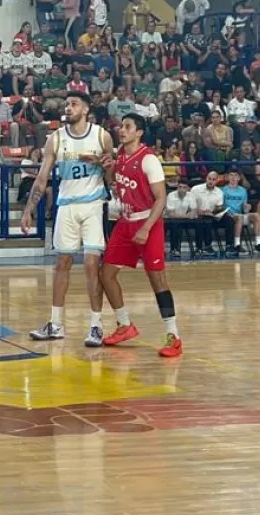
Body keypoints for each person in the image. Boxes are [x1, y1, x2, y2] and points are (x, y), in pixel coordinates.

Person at [21, 92, 112, 346]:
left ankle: (96, 325)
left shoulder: (101, 135)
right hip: (66, 206)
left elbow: (112, 175)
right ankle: (56, 323)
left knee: (93, 266)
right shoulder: (56, 138)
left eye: (73, 104)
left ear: (86, 109)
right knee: (62, 264)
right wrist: (29, 210)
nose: (68, 108)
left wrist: (105, 164)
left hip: (94, 204)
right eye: (66, 105)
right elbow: (42, 179)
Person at [98, 114, 183, 358]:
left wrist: (146, 228)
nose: (121, 130)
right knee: (106, 274)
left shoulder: (149, 160)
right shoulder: (121, 156)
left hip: (148, 222)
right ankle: (124, 324)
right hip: (126, 222)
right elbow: (113, 182)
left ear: (139, 132)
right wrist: (108, 169)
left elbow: (161, 198)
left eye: (127, 127)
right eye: (120, 126)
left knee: (157, 281)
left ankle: (174, 336)